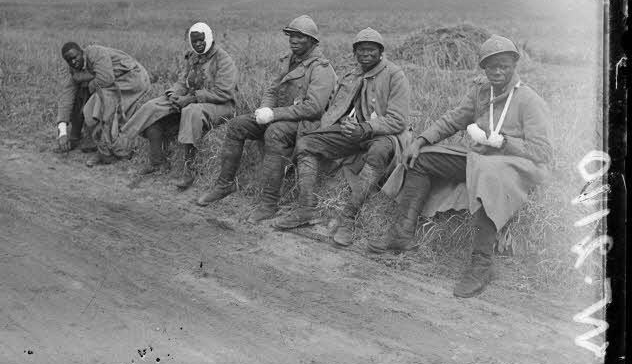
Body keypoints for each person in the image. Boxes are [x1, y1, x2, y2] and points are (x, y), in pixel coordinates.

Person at [368, 35, 551, 298]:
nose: (498, 71)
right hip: (479, 161)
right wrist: (420, 140)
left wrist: (502, 141)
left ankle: (482, 263)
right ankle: (402, 233)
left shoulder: (529, 100)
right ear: (483, 68)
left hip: (514, 166)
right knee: (421, 159)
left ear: (514, 66)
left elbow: (542, 152)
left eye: (505, 66)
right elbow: (452, 119)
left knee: (488, 175)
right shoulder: (480, 92)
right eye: (492, 66)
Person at [268, 28, 412, 242]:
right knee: (307, 143)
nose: (365, 54)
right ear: (355, 53)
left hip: (384, 133)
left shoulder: (395, 75)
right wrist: (344, 123)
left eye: (371, 50)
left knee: (379, 151)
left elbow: (398, 119)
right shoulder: (351, 75)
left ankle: (349, 218)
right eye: (361, 50)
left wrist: (365, 128)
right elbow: (336, 107)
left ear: (381, 52)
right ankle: (306, 208)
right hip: (354, 132)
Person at [195, 15, 336, 221]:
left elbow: (313, 108)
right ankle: (224, 185)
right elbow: (272, 89)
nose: (293, 40)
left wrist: (273, 115)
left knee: (274, 132)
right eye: (291, 36)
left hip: (307, 123)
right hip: (283, 115)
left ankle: (269, 203)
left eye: (300, 37)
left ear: (312, 41)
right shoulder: (288, 60)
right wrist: (264, 110)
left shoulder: (321, 68)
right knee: (236, 125)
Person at [120, 22, 238, 188]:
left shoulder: (223, 60)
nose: (198, 44)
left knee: (191, 111)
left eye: (201, 40)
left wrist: (191, 98)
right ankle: (153, 160)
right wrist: (173, 95)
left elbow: (224, 93)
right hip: (194, 100)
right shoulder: (193, 57)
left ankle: (189, 170)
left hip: (221, 104)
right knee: (154, 106)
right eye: (194, 41)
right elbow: (183, 81)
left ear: (210, 39)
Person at [54, 42, 154, 166]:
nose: (74, 62)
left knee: (100, 105)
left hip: (133, 78)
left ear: (82, 52)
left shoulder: (95, 53)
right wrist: (62, 132)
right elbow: (66, 97)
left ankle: (107, 152)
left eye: (75, 57)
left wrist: (87, 83)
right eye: (69, 60)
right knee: (81, 93)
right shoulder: (72, 69)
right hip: (114, 81)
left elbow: (106, 79)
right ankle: (75, 138)